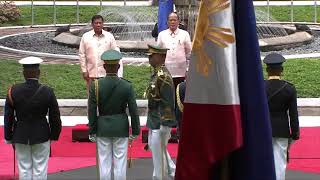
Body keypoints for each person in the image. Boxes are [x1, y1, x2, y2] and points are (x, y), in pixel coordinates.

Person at [4, 56, 62, 180]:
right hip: (41, 135)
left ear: (23, 73)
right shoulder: (47, 91)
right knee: (40, 169)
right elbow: (55, 117)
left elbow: (8, 117)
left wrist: (8, 137)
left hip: (20, 135)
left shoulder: (13, 91)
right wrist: (54, 135)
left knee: (24, 168)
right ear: (39, 73)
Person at [88, 50, 140, 180]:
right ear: (118, 67)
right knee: (120, 163)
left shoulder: (96, 85)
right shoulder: (127, 86)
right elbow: (133, 110)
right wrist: (135, 130)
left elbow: (92, 111)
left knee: (104, 163)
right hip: (121, 127)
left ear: (104, 67)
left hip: (103, 128)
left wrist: (92, 130)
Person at [263, 53, 300, 180]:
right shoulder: (289, 88)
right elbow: (293, 114)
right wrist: (295, 133)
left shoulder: (259, 87)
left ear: (267, 70)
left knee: (262, 160)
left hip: (263, 130)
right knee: (279, 162)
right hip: (282, 130)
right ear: (281, 70)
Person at [146, 44, 177, 179]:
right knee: (158, 152)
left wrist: (166, 124)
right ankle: (172, 172)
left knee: (159, 159)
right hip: (155, 120)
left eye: (152, 56)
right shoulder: (157, 73)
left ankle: (162, 177)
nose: (150, 58)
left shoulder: (163, 76)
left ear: (161, 57)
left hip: (160, 122)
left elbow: (168, 101)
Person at [79, 14, 123, 93]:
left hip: (106, 74)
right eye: (96, 23)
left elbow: (115, 53)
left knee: (105, 95)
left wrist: (116, 72)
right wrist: (84, 71)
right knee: (92, 96)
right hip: (91, 73)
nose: (98, 25)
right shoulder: (85, 37)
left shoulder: (109, 36)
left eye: (100, 23)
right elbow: (82, 55)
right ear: (92, 24)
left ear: (103, 24)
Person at [157, 12, 192, 88]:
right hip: (166, 72)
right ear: (167, 22)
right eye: (170, 20)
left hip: (181, 71)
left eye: (175, 20)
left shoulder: (185, 34)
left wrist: (188, 69)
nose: (172, 22)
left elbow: (189, 53)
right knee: (168, 94)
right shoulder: (162, 35)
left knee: (179, 94)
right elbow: (158, 53)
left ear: (178, 22)